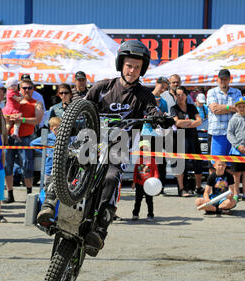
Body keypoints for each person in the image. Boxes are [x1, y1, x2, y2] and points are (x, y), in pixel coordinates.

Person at [37, 40, 161, 254]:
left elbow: (152, 110)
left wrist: (159, 117)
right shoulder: (103, 87)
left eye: (137, 67)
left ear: (142, 70)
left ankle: (100, 230)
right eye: (129, 65)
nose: (132, 71)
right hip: (92, 139)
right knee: (68, 157)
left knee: (112, 178)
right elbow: (82, 106)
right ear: (121, 64)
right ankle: (49, 203)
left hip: (118, 147)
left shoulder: (144, 95)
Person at [4, 78, 44, 202]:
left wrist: (22, 120)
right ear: (19, 89)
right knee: (7, 166)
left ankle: (29, 194)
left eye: (29, 88)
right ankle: (10, 194)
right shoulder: (14, 100)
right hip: (10, 137)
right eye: (24, 88)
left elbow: (37, 120)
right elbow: (4, 114)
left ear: (33, 90)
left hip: (26, 138)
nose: (27, 90)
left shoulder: (37, 103)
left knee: (27, 166)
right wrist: (10, 117)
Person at [170, 86, 204, 197]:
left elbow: (199, 121)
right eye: (178, 95)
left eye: (182, 94)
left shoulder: (191, 107)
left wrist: (186, 123)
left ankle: (198, 187)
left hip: (193, 137)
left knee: (198, 162)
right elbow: (177, 123)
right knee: (180, 163)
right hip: (180, 137)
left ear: (186, 95)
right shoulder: (174, 108)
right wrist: (190, 121)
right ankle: (182, 188)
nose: (180, 97)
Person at [207, 69, 242, 170]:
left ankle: (228, 186)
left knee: (231, 167)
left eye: (225, 79)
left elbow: (240, 109)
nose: (223, 81)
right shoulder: (211, 92)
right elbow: (215, 109)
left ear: (229, 80)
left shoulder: (237, 92)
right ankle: (217, 186)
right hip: (218, 133)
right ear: (217, 80)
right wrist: (231, 108)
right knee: (217, 165)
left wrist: (223, 108)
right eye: (221, 79)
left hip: (233, 134)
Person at [132, 140, 159, 222]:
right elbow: (136, 172)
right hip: (139, 184)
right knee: (137, 200)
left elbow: (155, 172)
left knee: (149, 201)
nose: (144, 151)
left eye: (146, 149)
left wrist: (156, 182)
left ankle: (150, 215)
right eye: (142, 150)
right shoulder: (138, 160)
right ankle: (135, 214)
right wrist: (134, 182)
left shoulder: (152, 160)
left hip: (149, 185)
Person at [151, 76, 170, 194]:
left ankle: (160, 186)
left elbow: (164, 119)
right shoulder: (147, 97)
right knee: (147, 160)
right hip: (146, 133)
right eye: (162, 86)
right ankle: (145, 184)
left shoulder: (163, 102)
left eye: (165, 88)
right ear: (156, 83)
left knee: (160, 161)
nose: (163, 90)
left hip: (159, 134)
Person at [30, 116, 61, 186]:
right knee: (47, 185)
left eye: (60, 129)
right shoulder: (48, 137)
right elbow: (32, 144)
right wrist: (44, 153)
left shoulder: (63, 138)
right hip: (49, 169)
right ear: (51, 128)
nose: (58, 131)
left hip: (60, 169)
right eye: (56, 129)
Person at [3, 78, 24, 142]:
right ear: (9, 86)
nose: (14, 87)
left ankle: (5, 136)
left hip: (13, 110)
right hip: (11, 110)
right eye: (12, 85)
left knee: (9, 124)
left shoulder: (16, 92)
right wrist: (23, 97)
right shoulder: (10, 92)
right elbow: (18, 99)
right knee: (17, 120)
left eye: (15, 85)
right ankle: (14, 133)